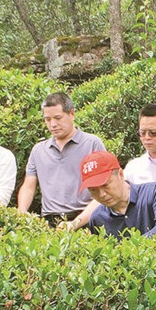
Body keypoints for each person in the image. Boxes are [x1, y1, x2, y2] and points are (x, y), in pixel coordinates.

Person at [17, 92, 106, 226]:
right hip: (49, 222)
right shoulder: (38, 150)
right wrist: (22, 211)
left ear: (72, 114)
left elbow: (105, 189)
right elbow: (28, 187)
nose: (53, 124)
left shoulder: (92, 144)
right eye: (47, 119)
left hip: (86, 219)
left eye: (58, 118)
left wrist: (76, 223)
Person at [79, 151, 156, 239]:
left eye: (105, 185)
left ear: (120, 174)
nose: (102, 194)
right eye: (93, 190)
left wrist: (127, 247)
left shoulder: (154, 192)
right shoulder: (97, 218)